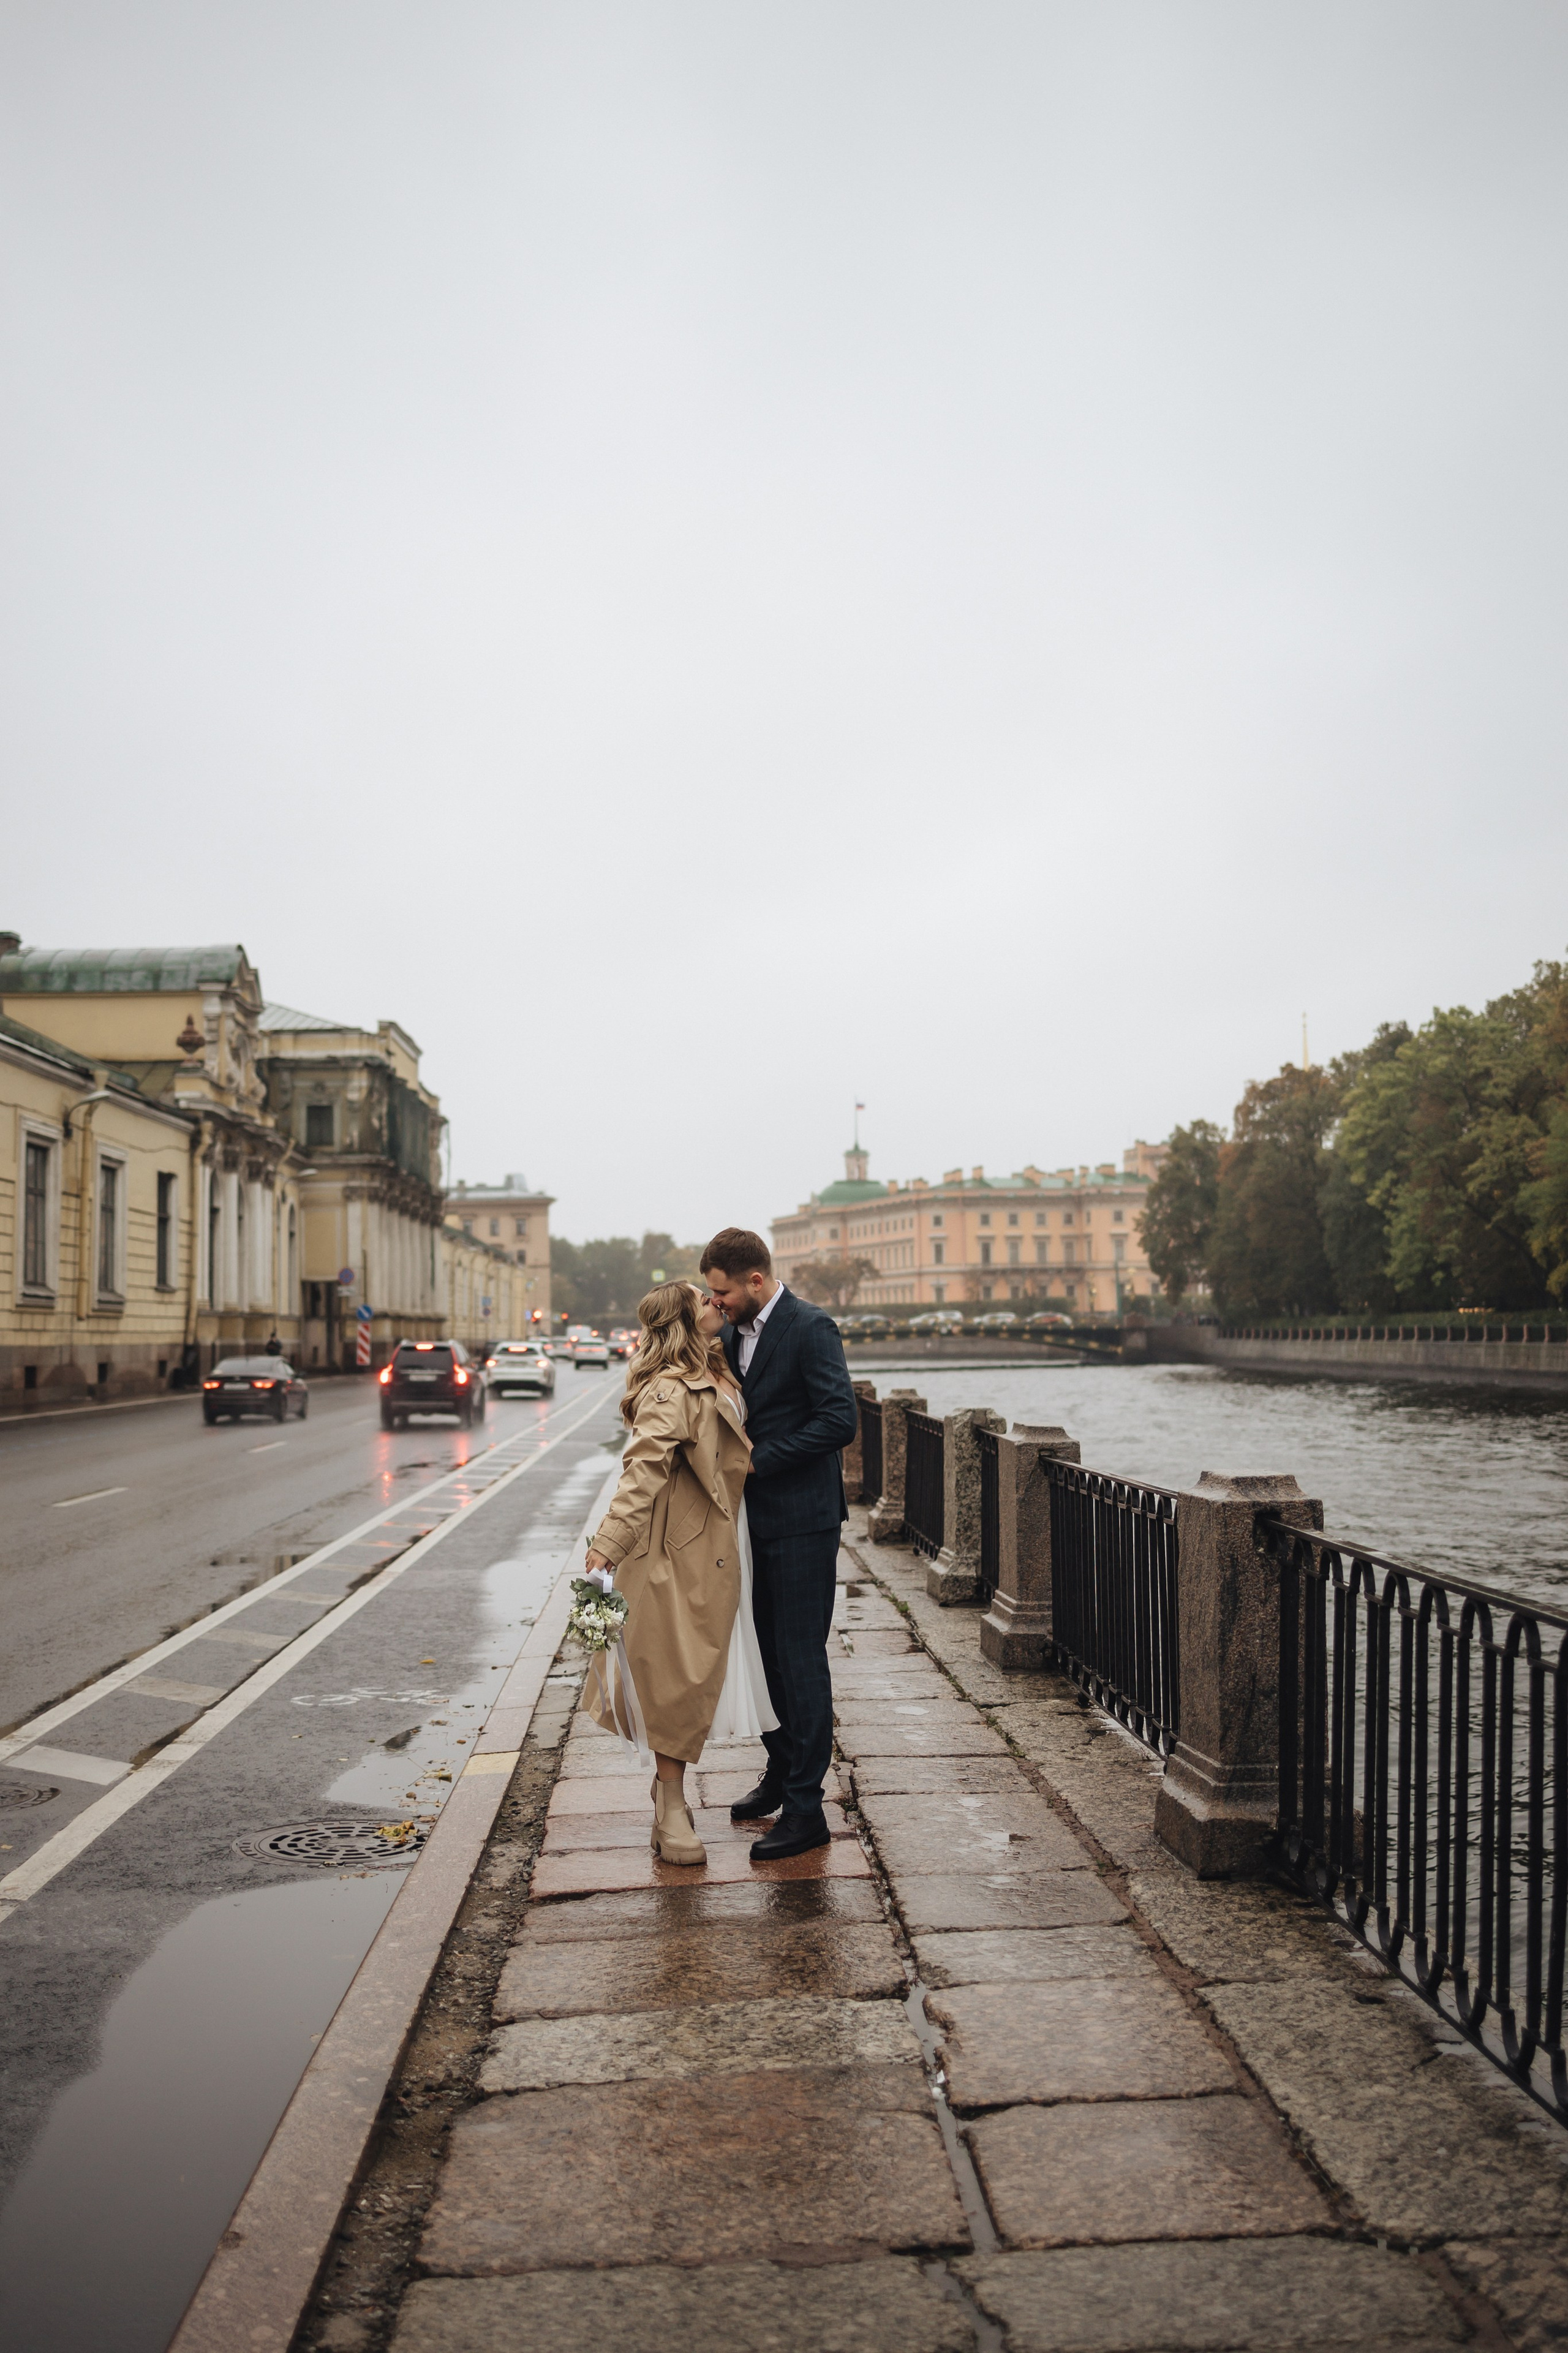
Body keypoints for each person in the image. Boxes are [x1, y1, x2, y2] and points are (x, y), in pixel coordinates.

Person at [582, 1280, 777, 1865]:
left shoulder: (718, 1364)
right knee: (677, 1678)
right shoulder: (671, 1387)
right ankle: (671, 1806)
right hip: (678, 1549)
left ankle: (672, 1796)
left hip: (722, 1540)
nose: (714, 1301)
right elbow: (642, 1470)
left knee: (699, 1677)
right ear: (684, 1321)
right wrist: (609, 1544)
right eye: (702, 1299)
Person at [701, 1226, 859, 1860]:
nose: (716, 1302)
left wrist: (758, 1461)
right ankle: (782, 1769)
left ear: (757, 1280)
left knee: (798, 1662)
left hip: (802, 1521)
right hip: (750, 1524)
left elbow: (839, 1419)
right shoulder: (728, 1334)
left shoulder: (811, 1327)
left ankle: (805, 1809)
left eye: (722, 1292)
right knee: (763, 1658)